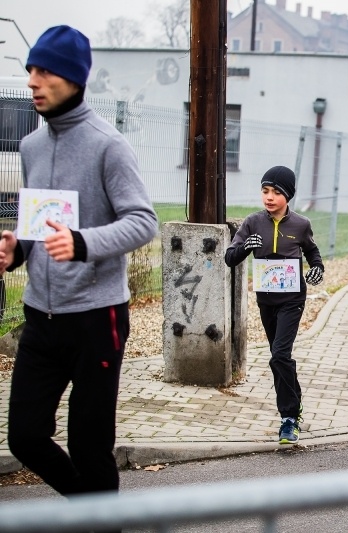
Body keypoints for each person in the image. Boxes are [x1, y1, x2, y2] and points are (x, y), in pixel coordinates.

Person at [1, 26, 158, 498]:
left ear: (73, 78)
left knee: (90, 447)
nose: (32, 80)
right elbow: (38, 221)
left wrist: (83, 242)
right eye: (30, 69)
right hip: (41, 316)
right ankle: (90, 510)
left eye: (44, 71)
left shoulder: (108, 145)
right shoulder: (31, 146)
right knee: (25, 437)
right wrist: (18, 250)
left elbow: (143, 222)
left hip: (97, 318)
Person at [225, 165, 324, 445]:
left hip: (292, 300)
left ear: (288, 196)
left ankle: (289, 418)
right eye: (265, 191)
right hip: (266, 301)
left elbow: (312, 251)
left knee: (279, 355)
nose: (269, 197)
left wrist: (317, 268)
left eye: (277, 192)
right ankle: (295, 401)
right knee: (279, 356)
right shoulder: (252, 223)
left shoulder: (300, 224)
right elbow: (230, 257)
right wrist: (246, 247)